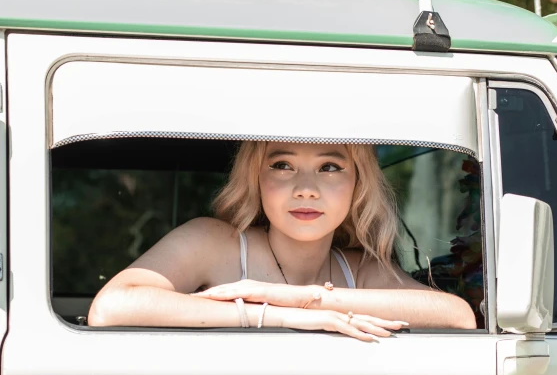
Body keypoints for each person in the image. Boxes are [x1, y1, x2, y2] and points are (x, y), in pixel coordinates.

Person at [88, 142, 476, 339]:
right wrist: (277, 315)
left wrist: (308, 299)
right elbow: (112, 308)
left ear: (358, 182)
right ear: (256, 177)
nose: (305, 189)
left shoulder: (360, 266)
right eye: (282, 165)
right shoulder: (212, 241)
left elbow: (457, 317)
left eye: (329, 167)